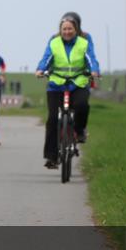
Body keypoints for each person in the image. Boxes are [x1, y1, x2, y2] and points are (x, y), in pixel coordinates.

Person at [36, 14, 100, 169]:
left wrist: (94, 71)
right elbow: (46, 58)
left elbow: (91, 58)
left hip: (77, 83)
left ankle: (79, 131)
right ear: (60, 30)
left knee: (82, 105)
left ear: (76, 29)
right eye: (64, 29)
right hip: (56, 85)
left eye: (70, 29)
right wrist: (40, 69)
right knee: (52, 120)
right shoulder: (54, 42)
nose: (67, 32)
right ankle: (51, 157)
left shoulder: (84, 42)